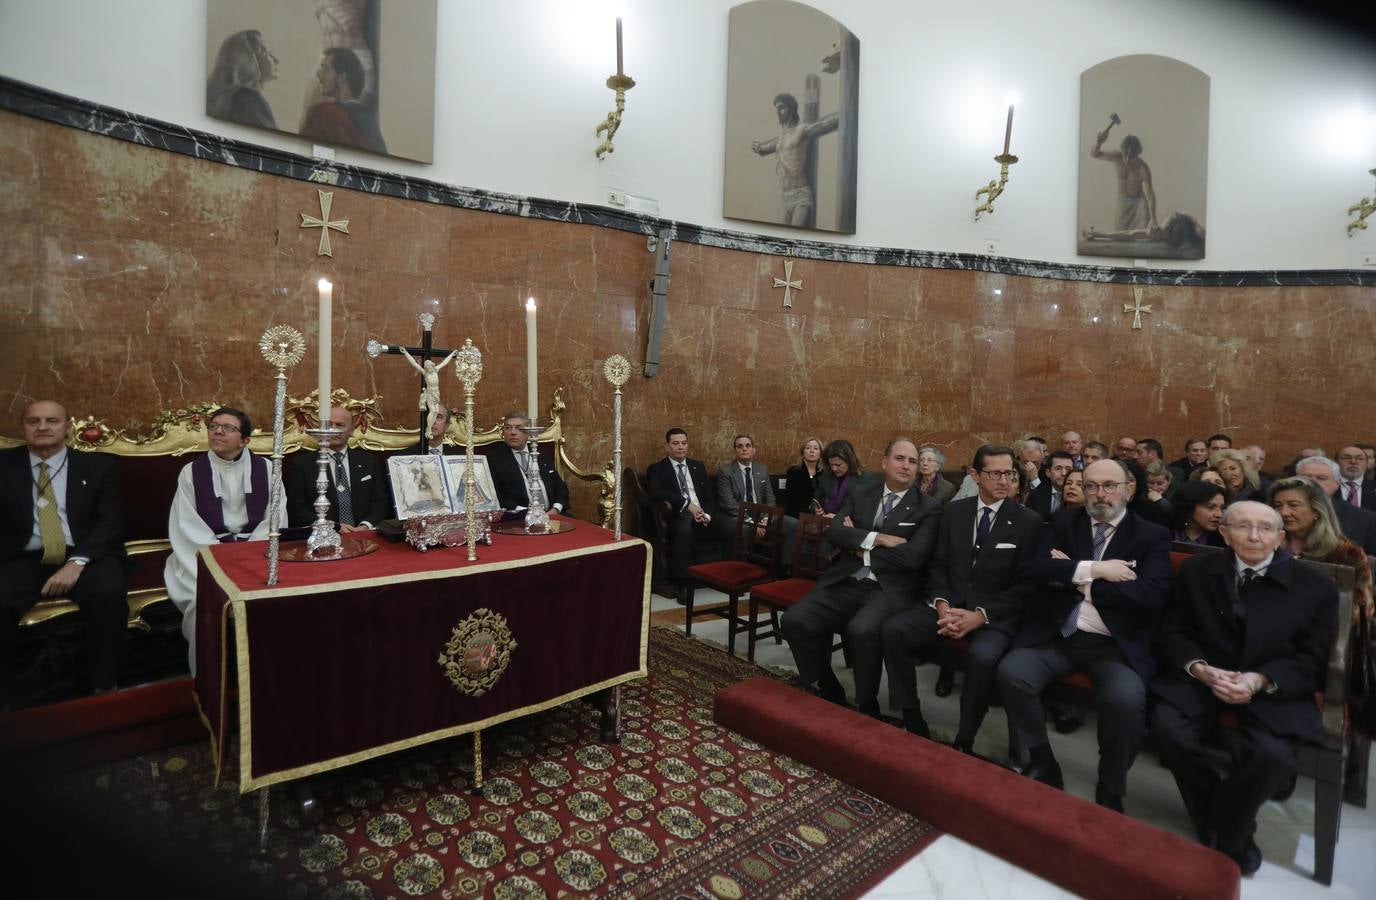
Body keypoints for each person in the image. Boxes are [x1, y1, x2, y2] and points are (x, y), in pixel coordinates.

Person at [1152, 501, 1337, 876]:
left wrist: (1259, 680)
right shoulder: (1198, 571)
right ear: (1224, 533)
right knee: (1168, 727)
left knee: (1273, 754)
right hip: (1208, 675)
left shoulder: (1315, 586)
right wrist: (1199, 668)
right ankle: (1225, 821)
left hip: (1272, 682)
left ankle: (1225, 828)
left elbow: (1313, 659)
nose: (1254, 536)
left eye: (1265, 528)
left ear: (1280, 537)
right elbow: (1173, 631)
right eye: (1242, 526)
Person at [997, 458, 1172, 812]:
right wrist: (1100, 569)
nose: (1099, 494)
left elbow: (1149, 596)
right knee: (1012, 672)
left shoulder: (1150, 535)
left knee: (1125, 701)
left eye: (1109, 486)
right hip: (1059, 635)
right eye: (1091, 485)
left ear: (1128, 489)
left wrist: (1077, 578)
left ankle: (1110, 784)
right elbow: (1040, 569)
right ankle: (1043, 760)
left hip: (1114, 646)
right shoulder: (1064, 521)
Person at [881, 445, 1043, 749]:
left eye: (1009, 473)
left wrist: (980, 616)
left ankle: (965, 738)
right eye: (995, 473)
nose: (1004, 480)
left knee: (982, 657)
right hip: (949, 604)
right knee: (894, 631)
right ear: (975, 475)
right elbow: (938, 564)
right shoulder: (955, 512)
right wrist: (942, 605)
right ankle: (911, 716)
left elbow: (1026, 585)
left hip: (993, 615)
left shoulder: (1028, 521)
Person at [780, 438, 942, 718]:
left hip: (889, 588)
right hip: (846, 579)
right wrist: (879, 538)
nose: (906, 466)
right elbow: (835, 531)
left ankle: (867, 703)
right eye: (900, 458)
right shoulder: (861, 492)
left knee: (861, 630)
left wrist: (859, 543)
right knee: (794, 620)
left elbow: (913, 557)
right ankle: (828, 684)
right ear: (884, 462)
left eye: (912, 461)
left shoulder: (928, 507)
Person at [1, 401, 127, 703]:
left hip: (84, 554)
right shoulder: (4, 465)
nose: (42, 427)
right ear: (23, 428)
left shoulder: (98, 467)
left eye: (52, 421)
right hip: (22, 557)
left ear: (68, 427)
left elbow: (110, 522)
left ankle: (105, 688)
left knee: (108, 594)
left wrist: (77, 562)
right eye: (34, 421)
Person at [164, 407, 270, 674]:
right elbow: (187, 525)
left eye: (228, 428)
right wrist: (221, 558)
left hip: (255, 554)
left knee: (270, 598)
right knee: (204, 602)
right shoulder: (191, 472)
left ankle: (260, 676)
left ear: (245, 440)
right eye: (214, 426)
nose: (218, 432)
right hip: (202, 555)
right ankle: (211, 680)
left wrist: (248, 555)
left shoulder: (267, 469)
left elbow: (274, 520)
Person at [1270, 476, 1374, 670]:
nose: (1284, 512)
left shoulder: (1346, 553)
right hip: (1269, 634)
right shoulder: (1266, 546)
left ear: (1317, 510)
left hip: (1323, 642)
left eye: (1293, 505)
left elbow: (1362, 610)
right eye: (1277, 506)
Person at [646, 428, 724, 603]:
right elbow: (656, 493)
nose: (680, 447)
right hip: (676, 516)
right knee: (684, 531)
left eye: (683, 443)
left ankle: (728, 577)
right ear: (667, 446)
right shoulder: (657, 469)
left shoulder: (698, 466)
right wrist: (687, 505)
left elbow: (709, 496)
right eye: (675, 443)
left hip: (701, 515)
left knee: (729, 526)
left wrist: (706, 514)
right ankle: (683, 584)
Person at [285, 406, 392, 530]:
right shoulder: (301, 464)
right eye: (328, 425)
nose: (333, 429)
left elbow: (381, 502)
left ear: (351, 430)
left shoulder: (369, 462)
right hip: (323, 534)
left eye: (340, 425)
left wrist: (365, 525)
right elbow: (295, 509)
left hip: (363, 533)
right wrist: (333, 526)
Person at [749, 93, 839, 227]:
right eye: (777, 108)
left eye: (782, 107)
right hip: (784, 198)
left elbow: (824, 124)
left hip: (800, 195)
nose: (778, 112)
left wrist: (842, 115)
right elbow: (763, 149)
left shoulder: (801, 130)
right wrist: (758, 147)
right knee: (780, 236)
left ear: (791, 109)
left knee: (796, 234)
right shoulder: (780, 139)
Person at [300, 47, 387, 154]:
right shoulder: (371, 124)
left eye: (326, 69)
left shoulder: (322, 113)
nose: (318, 74)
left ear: (342, 78)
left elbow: (303, 152)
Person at [487, 411, 570, 514]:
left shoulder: (541, 454)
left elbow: (560, 487)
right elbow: (496, 496)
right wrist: (526, 512)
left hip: (553, 514)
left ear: (529, 432)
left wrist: (556, 509)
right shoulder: (494, 459)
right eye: (508, 428)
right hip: (519, 517)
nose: (512, 432)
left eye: (519, 428)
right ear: (503, 432)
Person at [1295, 456, 1376, 556]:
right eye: (1305, 478)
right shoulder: (1279, 511)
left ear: (1337, 484)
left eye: (1321, 478)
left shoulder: (1365, 519)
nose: (1313, 482)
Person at [206, 30, 278, 129]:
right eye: (268, 53)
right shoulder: (248, 99)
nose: (276, 60)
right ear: (250, 60)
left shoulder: (221, 99)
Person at [1090, 129, 1156, 232]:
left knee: (1141, 235)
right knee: (1119, 234)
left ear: (1137, 154)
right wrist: (1099, 142)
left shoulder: (1142, 168)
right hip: (1122, 203)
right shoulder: (1116, 157)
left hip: (1139, 205)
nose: (1127, 160)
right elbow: (1094, 154)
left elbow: (1150, 194)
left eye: (1131, 157)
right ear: (1122, 151)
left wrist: (1153, 219)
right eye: (1125, 154)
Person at [398, 347, 458, 448]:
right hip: (429, 393)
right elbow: (414, 363)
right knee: (433, 411)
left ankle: (429, 429)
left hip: (436, 393)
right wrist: (406, 353)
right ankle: (428, 430)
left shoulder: (436, 370)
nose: (429, 368)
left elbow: (444, 362)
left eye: (429, 366)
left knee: (435, 411)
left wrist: (452, 354)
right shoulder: (425, 373)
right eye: (427, 367)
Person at [715, 434, 775, 518]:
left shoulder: (762, 470)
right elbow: (728, 503)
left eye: (748, 446)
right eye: (740, 446)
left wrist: (766, 518)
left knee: (792, 523)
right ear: (735, 451)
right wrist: (749, 520)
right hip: (738, 516)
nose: (744, 449)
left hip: (761, 514)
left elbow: (770, 499)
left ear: (753, 450)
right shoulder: (725, 472)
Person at [814, 439, 866, 516]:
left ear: (850, 461)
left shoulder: (862, 481)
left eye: (838, 465)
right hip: (822, 520)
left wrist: (838, 518)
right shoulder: (825, 476)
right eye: (831, 464)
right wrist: (816, 509)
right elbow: (815, 500)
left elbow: (863, 514)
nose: (834, 469)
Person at [1169, 480, 1227, 546]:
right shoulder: (1166, 532)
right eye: (1210, 507)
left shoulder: (1225, 540)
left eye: (1222, 508)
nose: (1219, 514)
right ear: (1189, 506)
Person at [1027, 451, 1074, 519]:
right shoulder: (1036, 495)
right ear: (1048, 473)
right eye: (1058, 468)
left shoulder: (1079, 495)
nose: (1064, 473)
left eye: (1068, 469)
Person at [784, 437, 824, 517]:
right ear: (802, 452)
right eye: (808, 448)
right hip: (797, 514)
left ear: (820, 453)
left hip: (821, 514)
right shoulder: (794, 471)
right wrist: (811, 510)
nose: (812, 451)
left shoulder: (824, 473)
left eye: (816, 448)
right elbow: (792, 500)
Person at [1336, 445, 1376, 511]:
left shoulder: (1373, 487)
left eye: (1360, 458)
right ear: (1336, 462)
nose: (1353, 462)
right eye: (1346, 458)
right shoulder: (1327, 486)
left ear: (1366, 463)